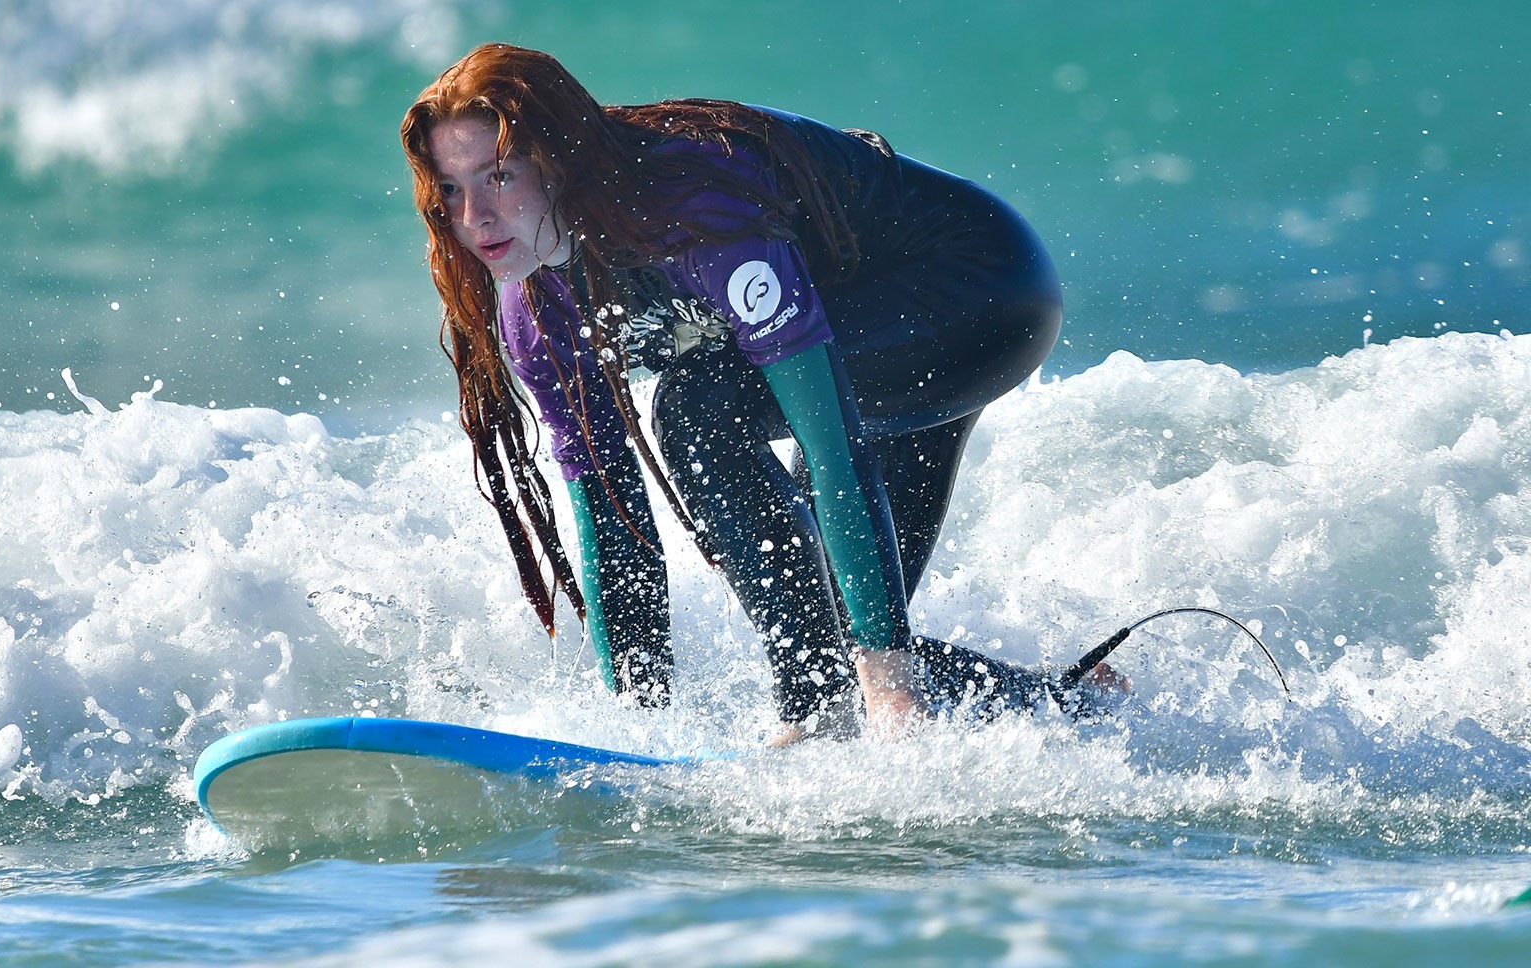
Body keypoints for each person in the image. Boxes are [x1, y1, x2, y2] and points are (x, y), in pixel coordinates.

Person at [401, 43, 1114, 741]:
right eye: (453, 189)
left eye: (498, 177)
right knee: (837, 636)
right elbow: (615, 524)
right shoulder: (538, 318)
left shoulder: (696, 211)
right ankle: (1072, 706)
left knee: (695, 411)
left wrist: (886, 688)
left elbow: (831, 446)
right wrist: (635, 731)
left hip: (979, 292)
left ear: (559, 164)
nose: (475, 218)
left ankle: (819, 713)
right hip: (866, 342)